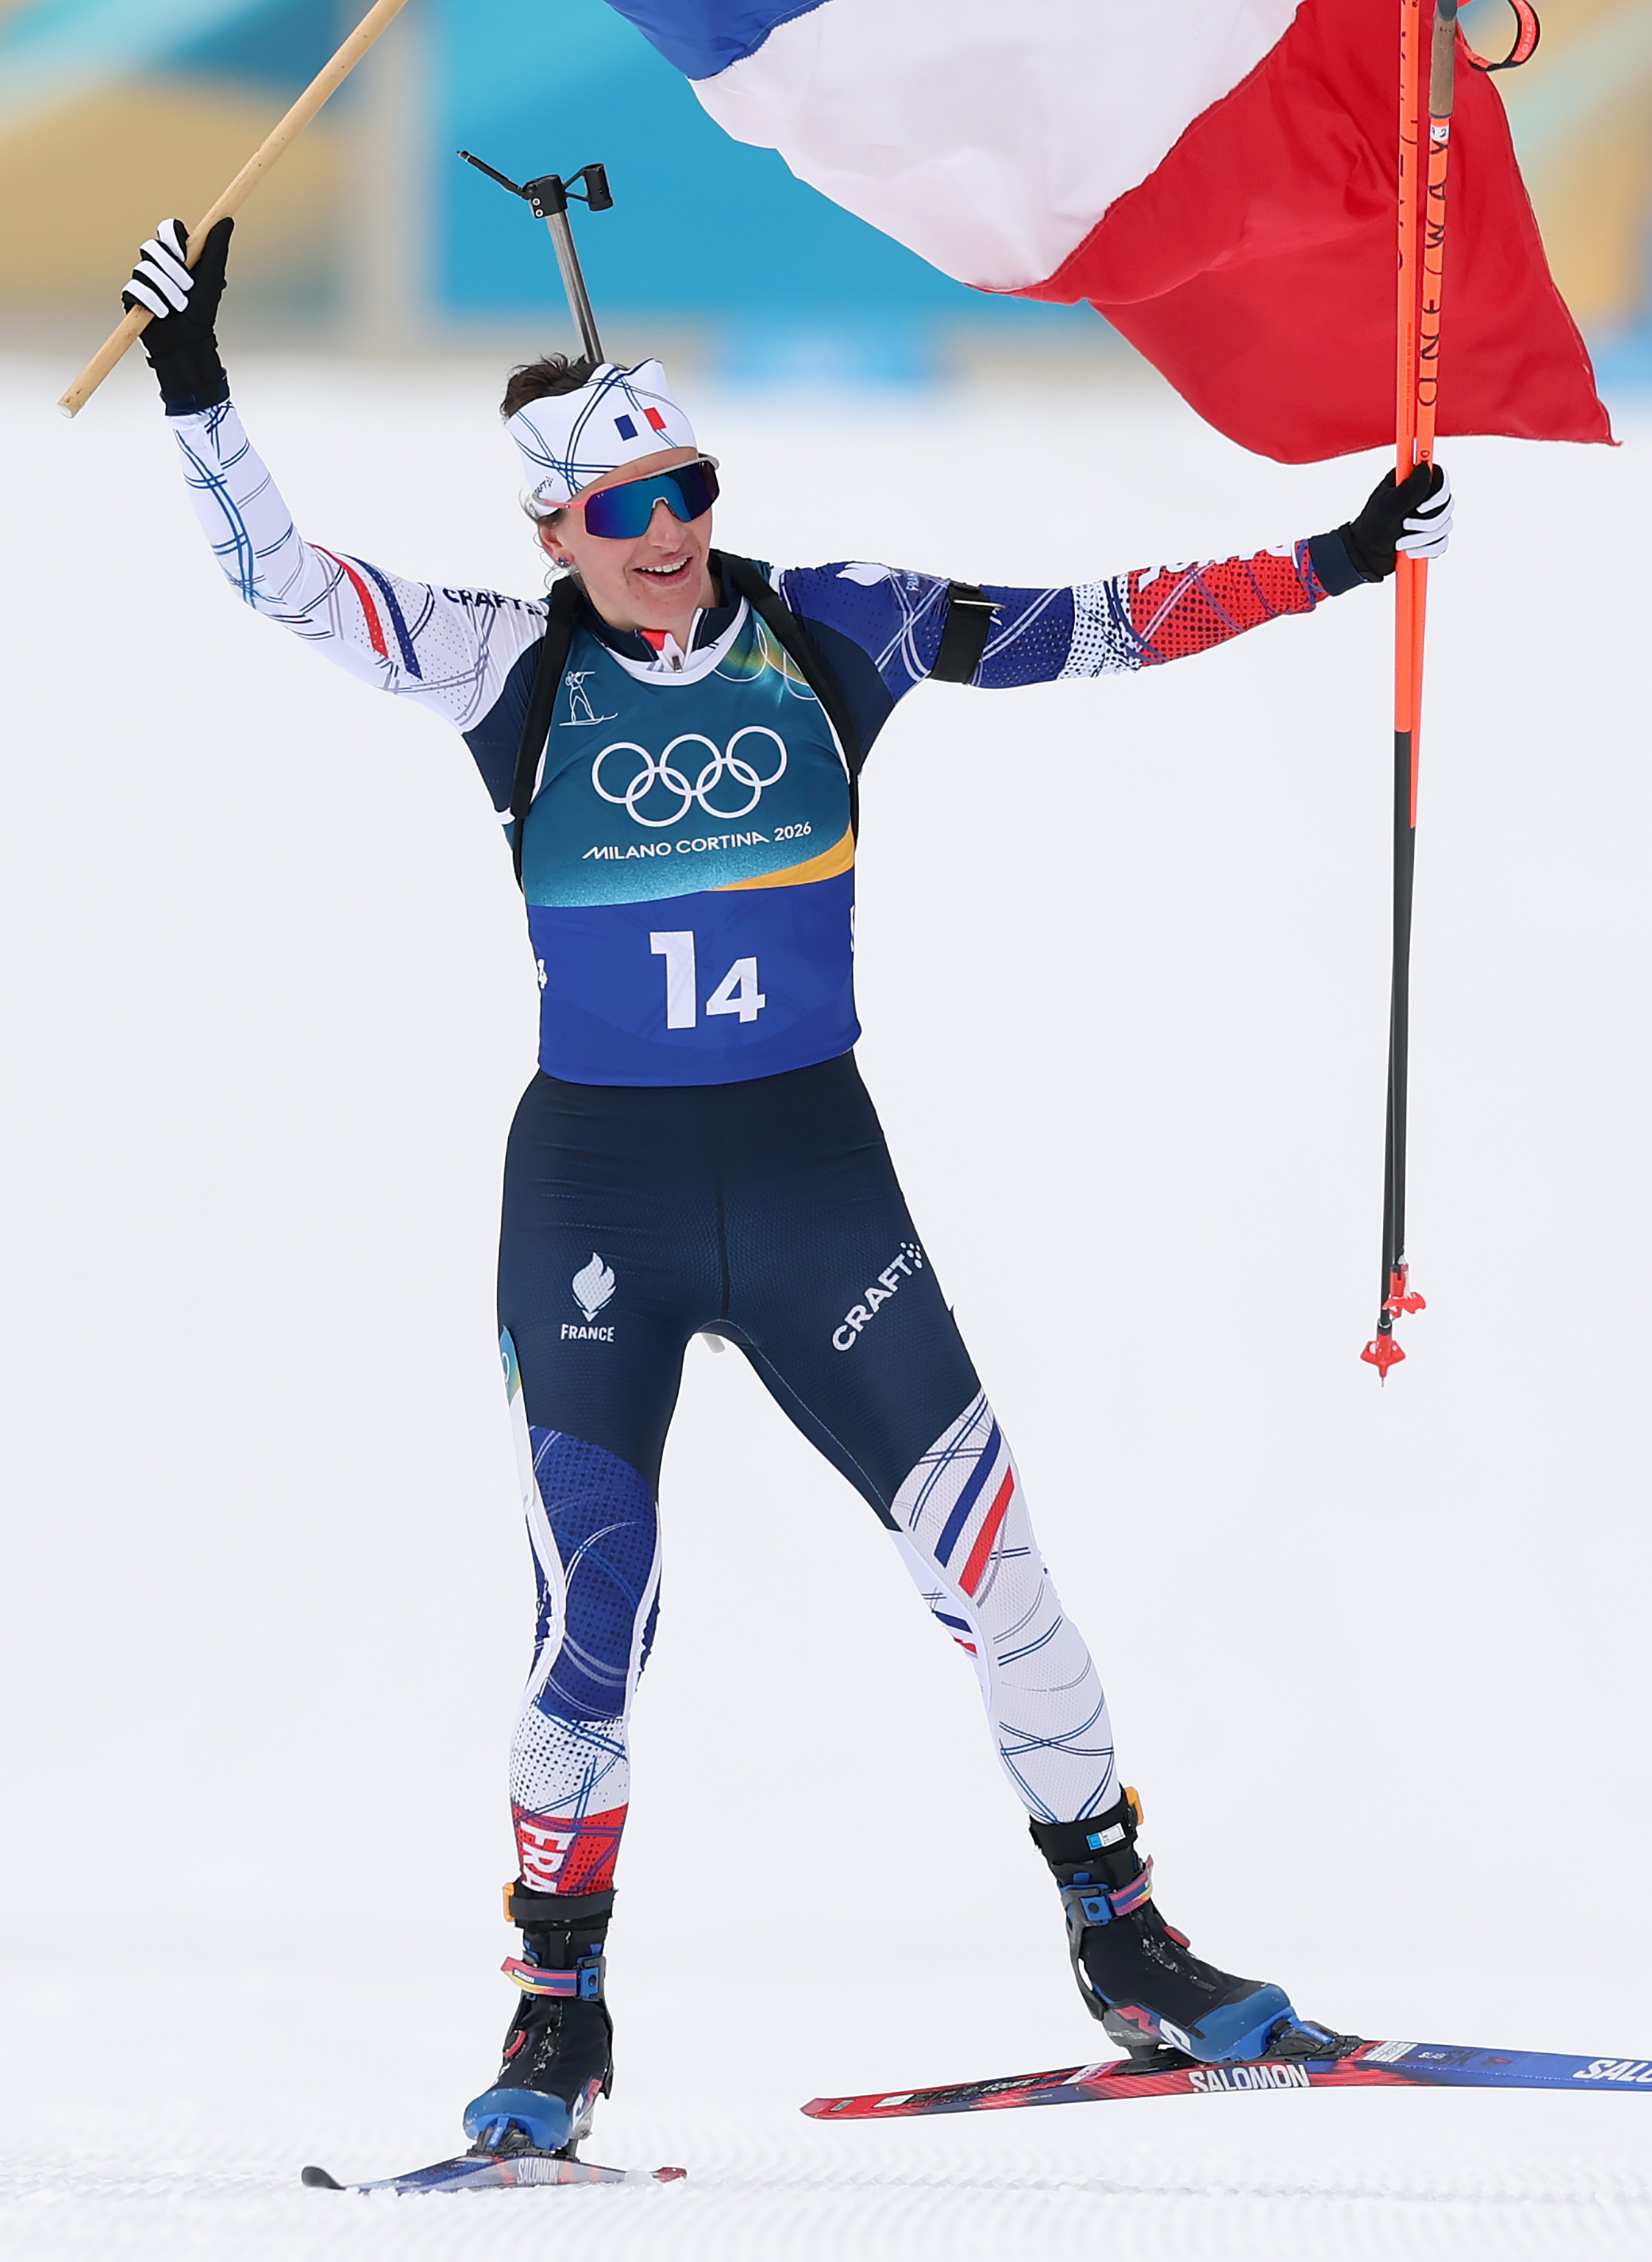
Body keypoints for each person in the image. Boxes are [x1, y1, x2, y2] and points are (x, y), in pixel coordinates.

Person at [122, 213, 1453, 2161]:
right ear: (555, 531)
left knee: (998, 1569)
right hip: (603, 1200)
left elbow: (1093, 622)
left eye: (687, 490)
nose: (664, 532)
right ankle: (555, 2019)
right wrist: (195, 384)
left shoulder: (838, 628)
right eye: (620, 508)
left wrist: (1334, 559)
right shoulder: (505, 666)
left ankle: (1127, 1943)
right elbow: (287, 584)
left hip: (815, 1177)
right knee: (592, 1616)